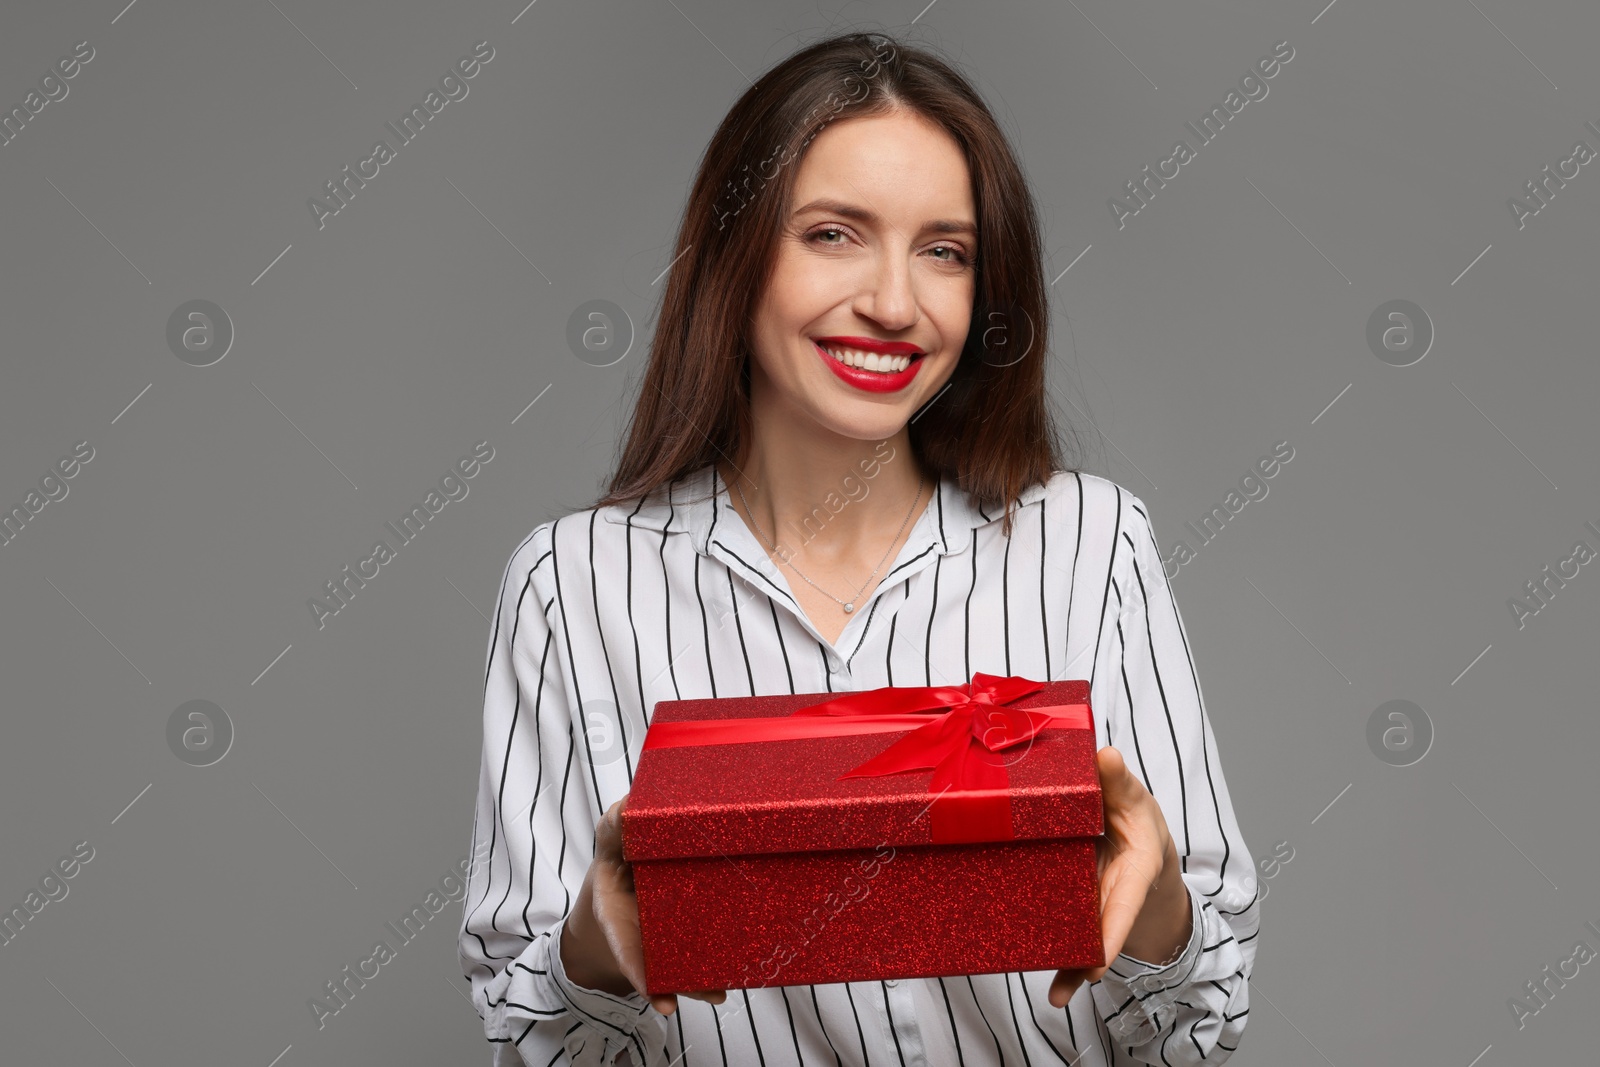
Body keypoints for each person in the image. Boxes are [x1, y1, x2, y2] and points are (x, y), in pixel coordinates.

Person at [458, 30, 1259, 1067]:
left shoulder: (1089, 543)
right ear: (736, 253)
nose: (893, 301)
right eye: (834, 233)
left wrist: (1154, 913)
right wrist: (597, 948)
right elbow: (535, 1046)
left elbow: (1199, 1030)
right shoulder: (573, 586)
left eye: (945, 250)